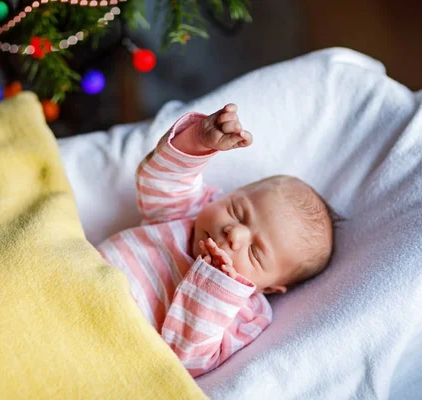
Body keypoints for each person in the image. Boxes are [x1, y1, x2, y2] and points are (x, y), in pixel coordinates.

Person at [96, 104, 335, 377]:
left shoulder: (247, 316)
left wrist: (214, 287)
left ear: (269, 288)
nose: (235, 233)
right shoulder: (188, 213)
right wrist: (197, 141)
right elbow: (161, 181)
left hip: (107, 346)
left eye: (255, 252)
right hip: (77, 278)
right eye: (237, 211)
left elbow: (186, 362)